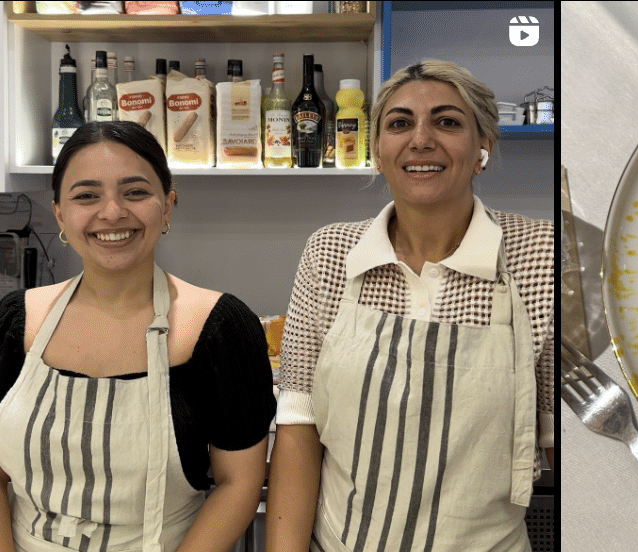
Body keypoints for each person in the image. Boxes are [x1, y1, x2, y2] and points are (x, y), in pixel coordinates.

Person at [265, 60, 556, 552]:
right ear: (378, 151)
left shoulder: (540, 256)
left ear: (484, 145)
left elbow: (566, 438)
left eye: (447, 121)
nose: (421, 140)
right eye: (399, 123)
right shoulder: (330, 253)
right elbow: (299, 426)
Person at [0, 121, 274, 552]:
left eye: (135, 192)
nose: (111, 212)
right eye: (86, 195)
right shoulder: (16, 320)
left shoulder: (220, 328)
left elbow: (237, 482)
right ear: (59, 214)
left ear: (167, 206)